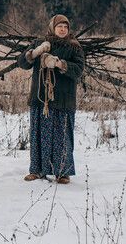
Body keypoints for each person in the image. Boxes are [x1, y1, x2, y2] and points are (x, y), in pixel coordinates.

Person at [17, 14, 85, 184]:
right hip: (40, 98)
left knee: (62, 135)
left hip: (63, 98)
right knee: (39, 133)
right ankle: (37, 170)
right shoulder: (40, 43)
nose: (62, 29)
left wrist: (61, 64)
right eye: (59, 26)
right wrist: (36, 52)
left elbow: (79, 70)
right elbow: (22, 63)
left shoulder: (74, 47)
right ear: (52, 27)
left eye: (65, 27)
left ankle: (62, 172)